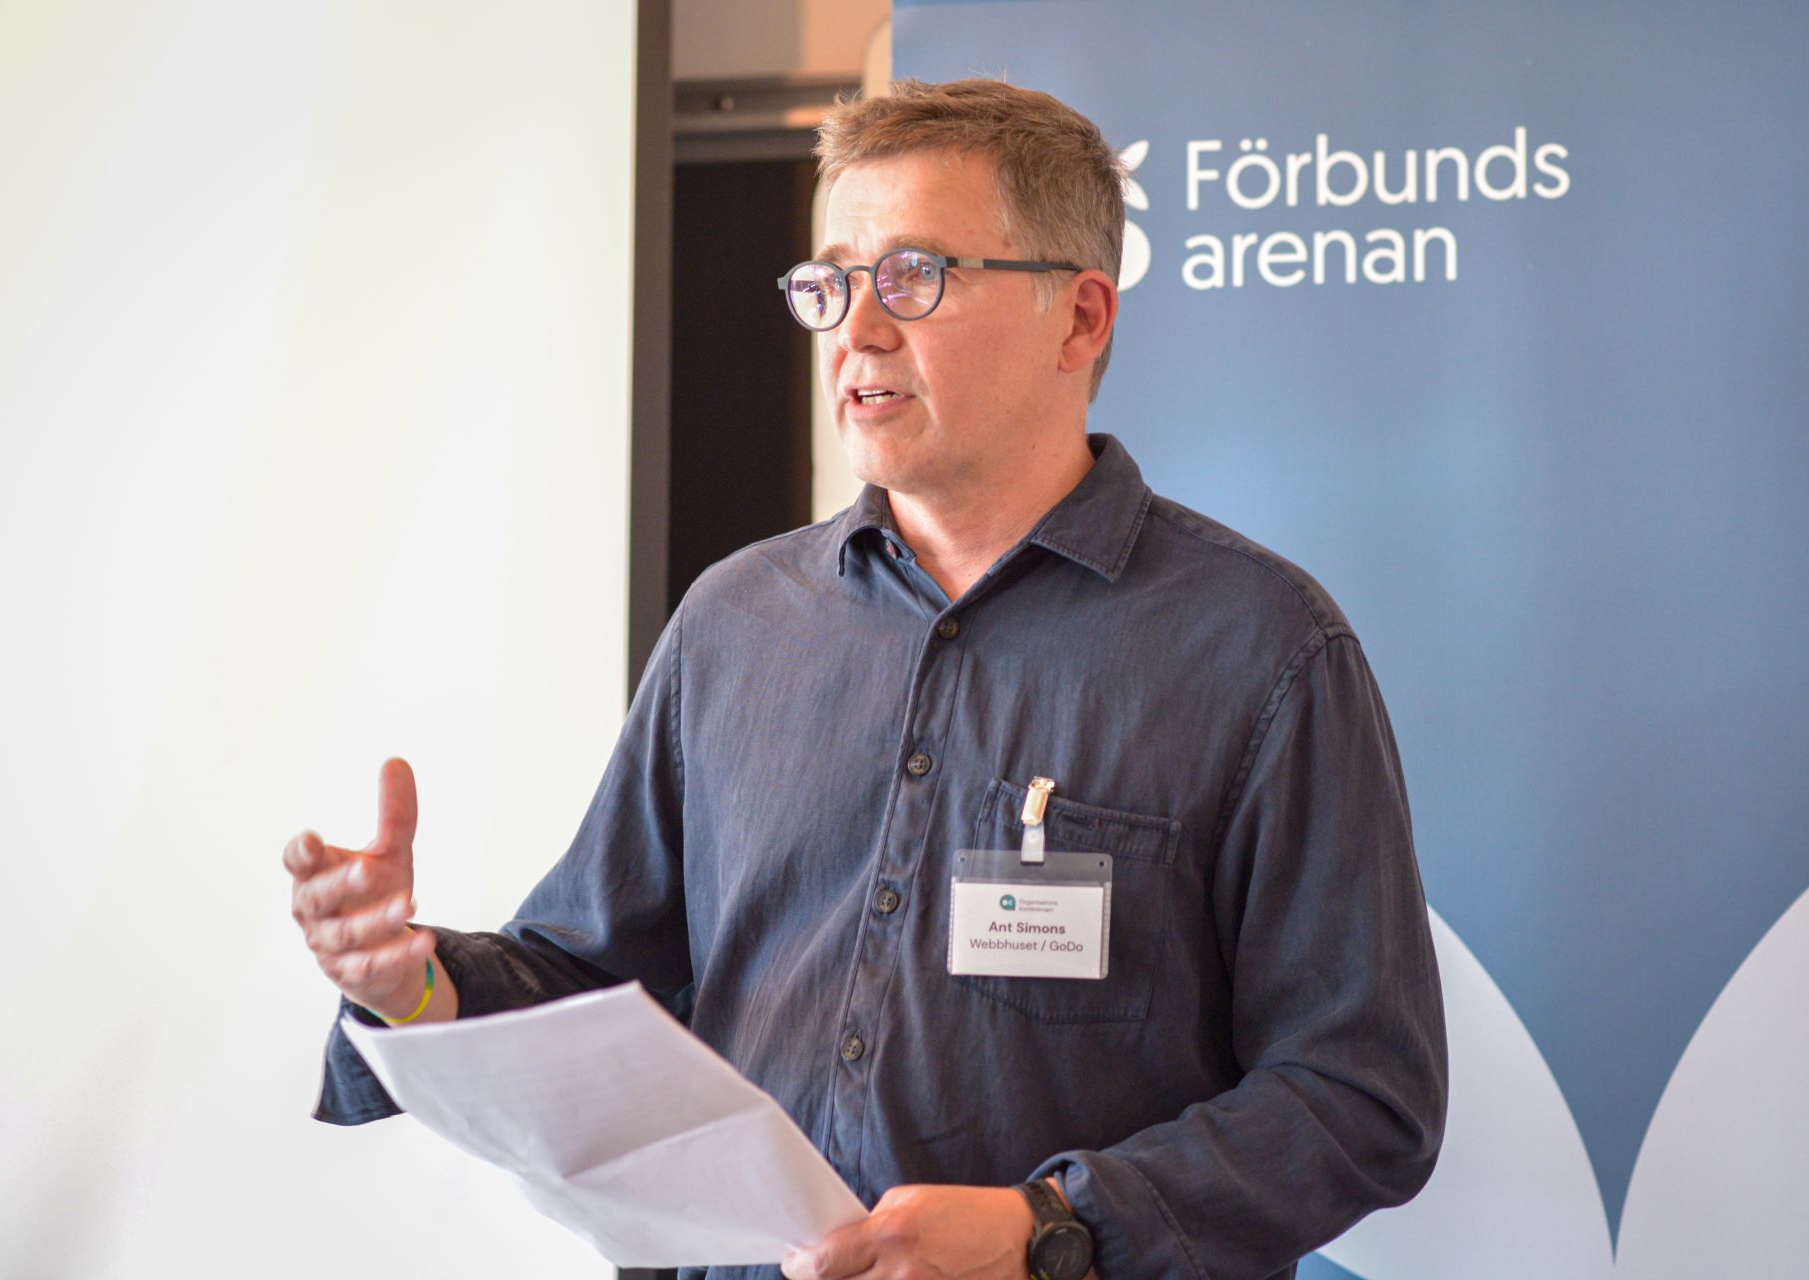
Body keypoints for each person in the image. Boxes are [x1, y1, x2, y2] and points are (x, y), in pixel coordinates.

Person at [286, 78, 1448, 1280]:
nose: (858, 330)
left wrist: (1048, 1227)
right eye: (832, 283)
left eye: (914, 277)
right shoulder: (735, 623)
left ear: (1080, 317)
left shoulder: (1259, 646)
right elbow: (588, 973)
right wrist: (414, 985)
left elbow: (1358, 1092)